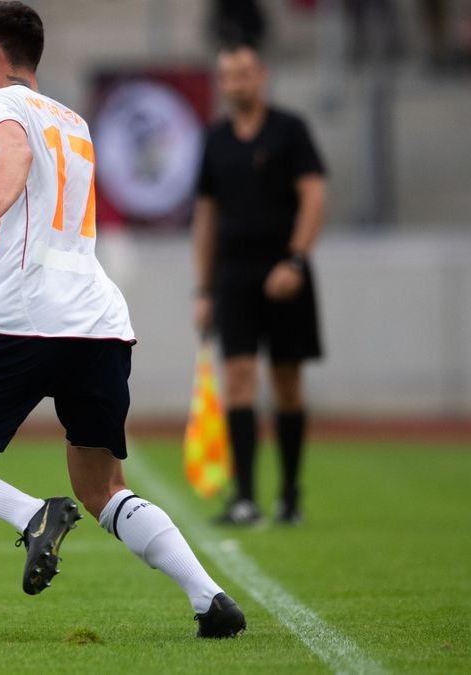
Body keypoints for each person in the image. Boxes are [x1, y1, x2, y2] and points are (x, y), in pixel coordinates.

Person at [0, 1, 240, 638]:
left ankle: (32, 515)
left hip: (23, 316)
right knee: (103, 486)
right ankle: (210, 600)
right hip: (99, 322)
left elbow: (13, 158)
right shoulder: (73, 118)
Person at [192, 43, 327, 527]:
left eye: (244, 73)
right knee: (239, 380)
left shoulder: (290, 131)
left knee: (288, 384)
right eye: (228, 75)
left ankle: (289, 494)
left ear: (261, 76)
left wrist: (295, 260)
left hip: (285, 272)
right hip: (234, 276)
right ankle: (245, 498)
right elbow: (206, 215)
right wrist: (203, 289)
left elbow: (314, 196)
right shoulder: (216, 139)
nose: (236, 83)